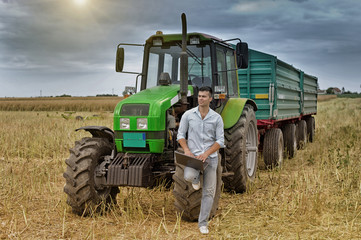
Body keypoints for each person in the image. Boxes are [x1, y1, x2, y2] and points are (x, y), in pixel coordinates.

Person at [176, 86, 224, 235]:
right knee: (189, 176)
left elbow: (220, 140)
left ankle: (203, 223)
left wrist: (206, 153)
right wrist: (187, 150)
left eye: (204, 96)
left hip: (211, 159)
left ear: (210, 99)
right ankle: (196, 179)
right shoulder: (188, 115)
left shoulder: (216, 118)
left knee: (209, 192)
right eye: (199, 96)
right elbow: (180, 135)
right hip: (193, 158)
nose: (200, 98)